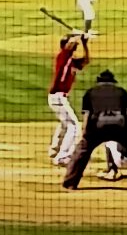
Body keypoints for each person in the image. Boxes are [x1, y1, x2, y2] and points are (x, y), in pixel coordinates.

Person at [62, 70, 127, 190]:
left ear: (99, 81)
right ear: (113, 82)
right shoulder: (122, 92)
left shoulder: (90, 92)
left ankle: (70, 182)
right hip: (119, 125)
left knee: (81, 151)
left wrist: (85, 136)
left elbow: (86, 116)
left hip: (98, 126)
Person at [48, 34, 90, 166]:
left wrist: (84, 43)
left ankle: (54, 149)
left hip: (59, 97)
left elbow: (86, 60)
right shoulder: (62, 56)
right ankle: (62, 156)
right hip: (57, 97)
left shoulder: (71, 62)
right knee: (74, 126)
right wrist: (79, 35)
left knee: (65, 123)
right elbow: (70, 44)